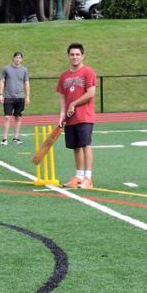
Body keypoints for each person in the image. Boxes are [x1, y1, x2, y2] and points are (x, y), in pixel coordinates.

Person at [57, 42, 97, 189]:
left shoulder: (88, 72)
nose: (75, 57)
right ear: (68, 56)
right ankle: (79, 176)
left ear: (82, 56)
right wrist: (62, 114)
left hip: (84, 116)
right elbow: (62, 97)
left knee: (85, 145)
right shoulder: (64, 76)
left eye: (77, 54)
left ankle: (88, 178)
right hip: (70, 118)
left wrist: (74, 104)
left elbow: (91, 93)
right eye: (72, 54)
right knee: (75, 147)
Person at [0, 51, 30, 146]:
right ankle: (4, 139)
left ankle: (16, 138)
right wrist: (0, 94)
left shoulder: (24, 70)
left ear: (22, 59)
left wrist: (27, 96)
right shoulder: (6, 69)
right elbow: (2, 81)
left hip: (20, 97)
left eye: (20, 58)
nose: (18, 59)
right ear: (13, 58)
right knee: (7, 117)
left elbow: (27, 83)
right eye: (16, 57)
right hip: (8, 97)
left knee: (18, 117)